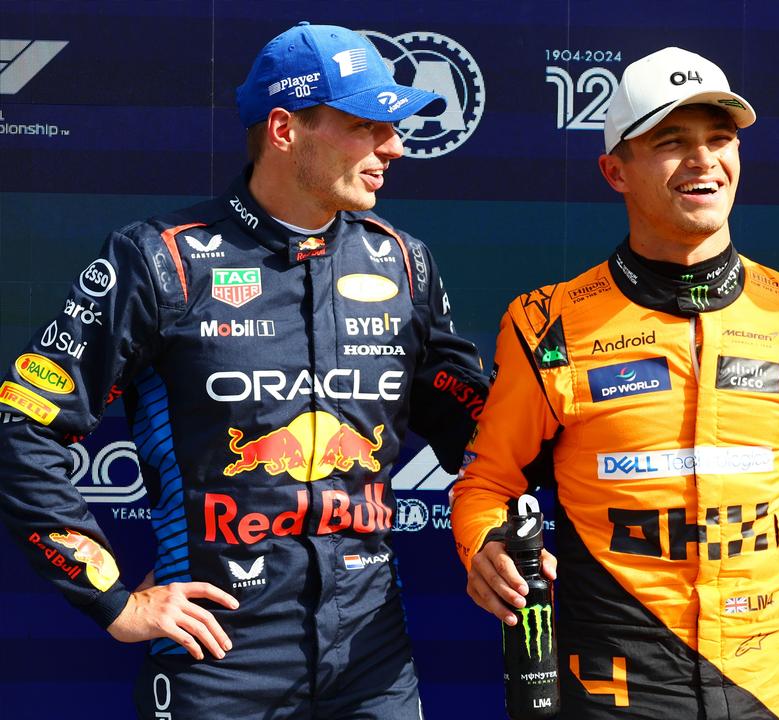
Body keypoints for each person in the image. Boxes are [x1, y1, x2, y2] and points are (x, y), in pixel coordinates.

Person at [0, 22, 488, 717]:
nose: (395, 146)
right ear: (286, 129)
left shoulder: (403, 261)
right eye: (367, 125)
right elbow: (25, 424)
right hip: (218, 660)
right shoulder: (160, 260)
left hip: (372, 660)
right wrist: (110, 597)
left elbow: (476, 426)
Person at [450, 46, 779, 719]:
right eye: (671, 141)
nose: (703, 160)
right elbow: (490, 480)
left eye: (719, 139)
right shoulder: (548, 322)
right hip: (617, 690)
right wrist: (485, 541)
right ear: (615, 170)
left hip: (771, 690)